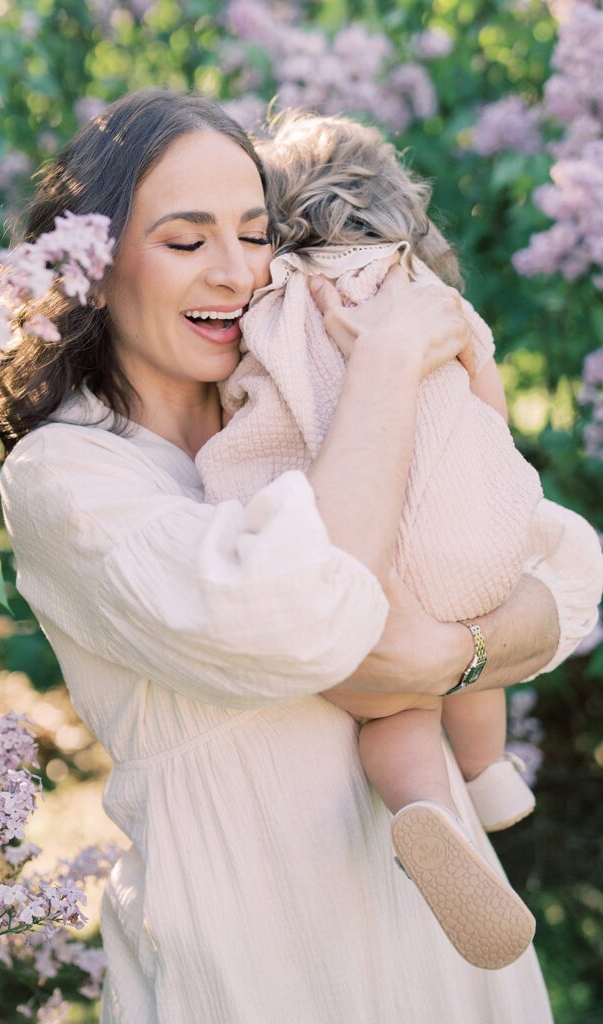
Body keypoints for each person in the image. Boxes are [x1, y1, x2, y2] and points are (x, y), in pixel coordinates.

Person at [0, 89, 602, 1024]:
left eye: (257, 234)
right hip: (260, 947)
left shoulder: (307, 405)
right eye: (186, 243)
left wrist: (454, 655)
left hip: (439, 930)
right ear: (96, 271)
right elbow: (312, 608)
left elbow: (561, 563)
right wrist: (390, 365)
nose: (234, 273)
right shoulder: (70, 476)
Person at [195, 110, 590, 970]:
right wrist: (493, 481)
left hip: (352, 541)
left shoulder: (270, 298)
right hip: (462, 536)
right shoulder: (423, 291)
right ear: (402, 211)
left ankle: (426, 809)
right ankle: (486, 777)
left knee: (396, 704)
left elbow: (243, 405)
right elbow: (482, 386)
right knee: (465, 628)